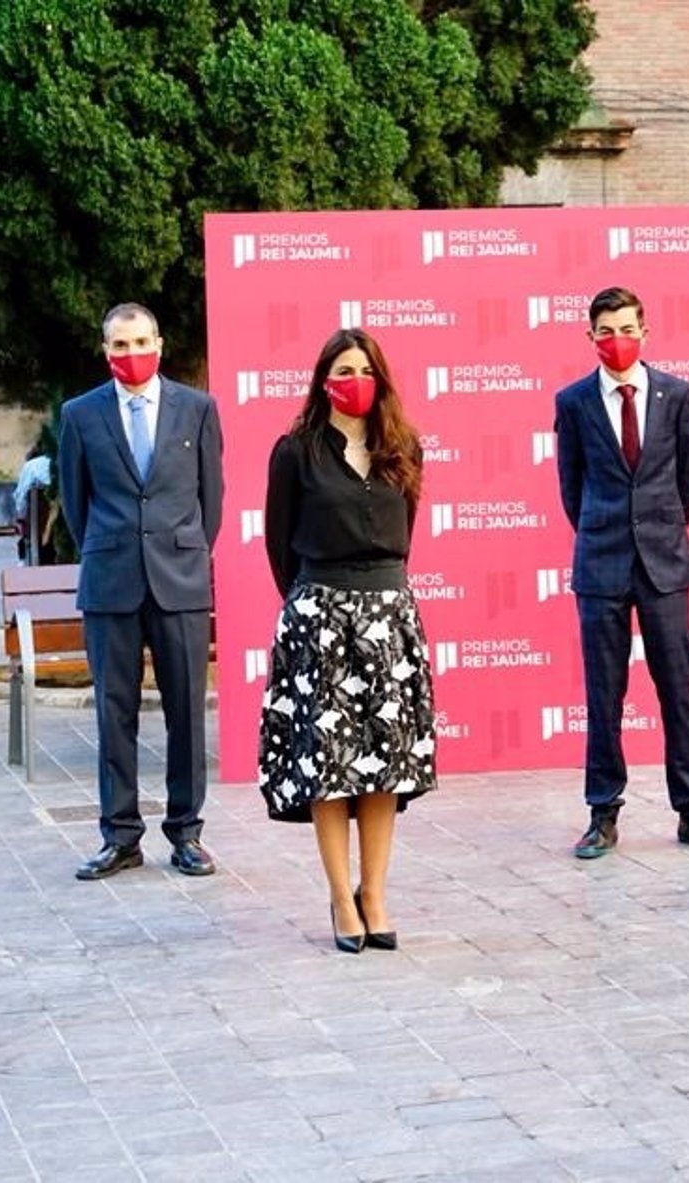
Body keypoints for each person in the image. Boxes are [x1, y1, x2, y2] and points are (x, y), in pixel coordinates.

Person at [257, 328, 437, 953]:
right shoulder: (295, 452)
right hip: (321, 618)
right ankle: (341, 898)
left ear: (380, 380)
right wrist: (315, 605)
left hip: (389, 615)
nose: (354, 381)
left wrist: (379, 598)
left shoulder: (404, 447)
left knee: (386, 765)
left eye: (365, 370)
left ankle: (375, 894)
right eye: (342, 371)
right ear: (323, 381)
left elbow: (406, 533)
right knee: (328, 765)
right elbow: (279, 546)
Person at [552, 287, 689, 858]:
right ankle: (602, 814)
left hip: (665, 563)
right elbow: (570, 486)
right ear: (590, 337)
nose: (618, 341)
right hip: (600, 564)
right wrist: (604, 532)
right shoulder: (573, 401)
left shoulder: (677, 394)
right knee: (604, 695)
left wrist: (661, 530)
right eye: (606, 331)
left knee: (677, 689)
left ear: (645, 332)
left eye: (627, 329)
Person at [58, 303, 223, 879]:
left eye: (141, 342)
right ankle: (120, 836)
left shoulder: (197, 409)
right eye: (120, 345)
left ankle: (187, 833)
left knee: (187, 713)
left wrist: (183, 552)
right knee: (114, 712)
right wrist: (111, 549)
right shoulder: (79, 415)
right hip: (111, 583)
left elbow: (211, 500)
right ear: (105, 350)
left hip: (180, 582)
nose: (132, 354)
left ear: (160, 343)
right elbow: (76, 505)